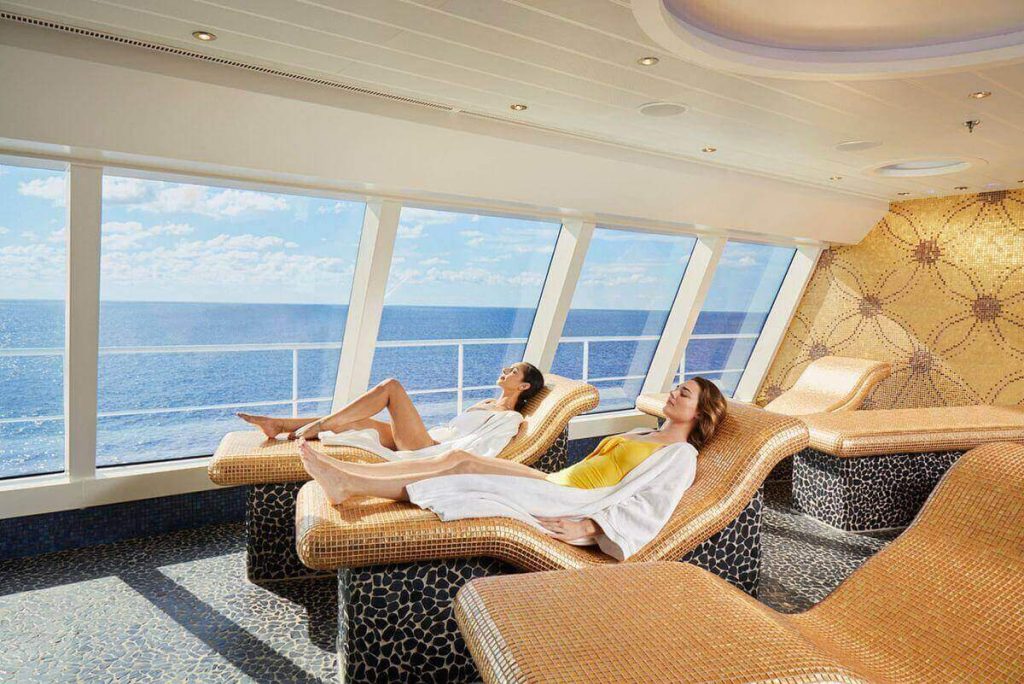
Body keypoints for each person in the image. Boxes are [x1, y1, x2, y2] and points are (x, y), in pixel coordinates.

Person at [299, 377, 728, 555]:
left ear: (700, 411)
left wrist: (592, 527)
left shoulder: (680, 456)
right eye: (676, 388)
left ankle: (351, 483)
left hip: (572, 497)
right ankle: (352, 480)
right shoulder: (644, 435)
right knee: (456, 457)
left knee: (460, 467)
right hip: (557, 481)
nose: (673, 394)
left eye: (685, 393)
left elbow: (654, 505)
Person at [238, 362, 545, 461]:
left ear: (524, 387)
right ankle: (278, 424)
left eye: (513, 371)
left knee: (391, 387)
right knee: (358, 421)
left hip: (432, 448)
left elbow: (482, 450)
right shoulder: (487, 404)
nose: (505, 371)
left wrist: (440, 455)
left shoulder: (511, 418)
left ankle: (318, 424)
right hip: (431, 436)